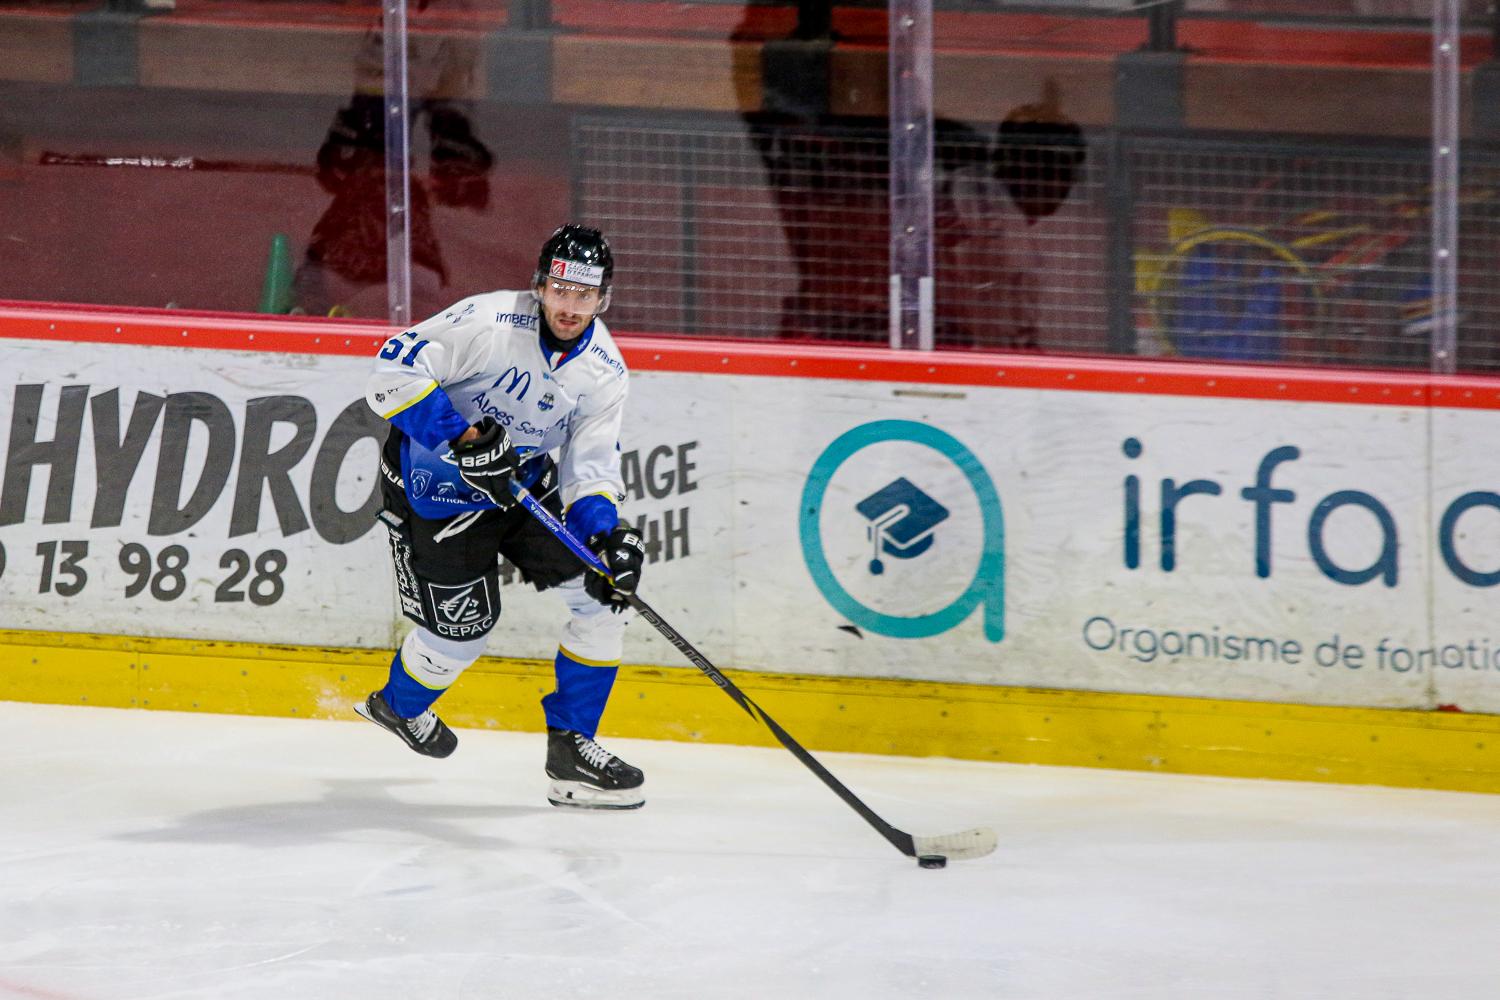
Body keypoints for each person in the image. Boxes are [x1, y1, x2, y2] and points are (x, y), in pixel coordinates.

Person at [357, 224, 648, 810]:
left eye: (585, 295)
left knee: (603, 598)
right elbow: (390, 377)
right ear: (540, 286)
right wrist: (463, 437)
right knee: (460, 634)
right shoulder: (488, 322)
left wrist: (607, 536)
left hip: (520, 489)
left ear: (604, 299)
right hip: (431, 487)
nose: (571, 307)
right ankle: (398, 705)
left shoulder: (604, 372)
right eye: (561, 291)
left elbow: (588, 469)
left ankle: (572, 751)